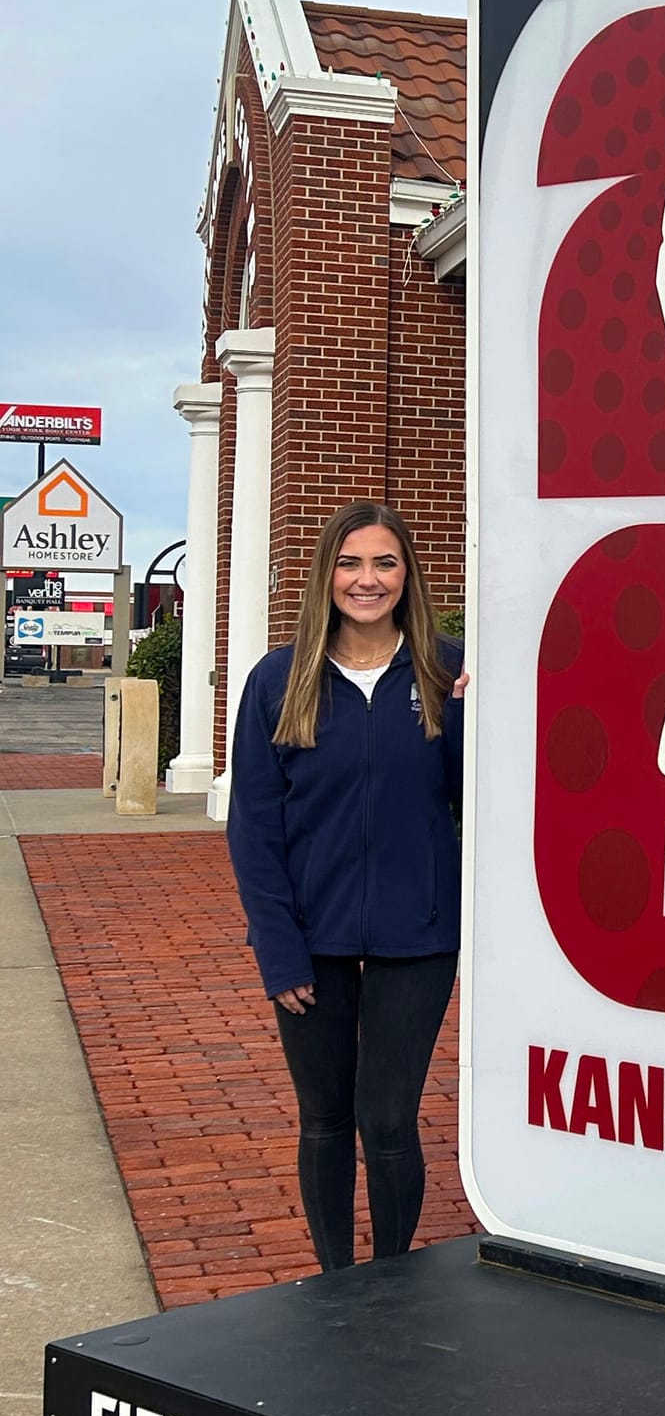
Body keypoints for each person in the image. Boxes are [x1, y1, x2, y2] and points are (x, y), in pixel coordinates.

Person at [226, 501, 465, 1272]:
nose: (368, 579)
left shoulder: (443, 669)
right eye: (352, 563)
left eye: (385, 562)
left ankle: (390, 1281)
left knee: (388, 1117)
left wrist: (467, 714)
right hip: (310, 937)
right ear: (327, 574)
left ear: (408, 575)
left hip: (418, 935)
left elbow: (480, 798)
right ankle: (336, 1282)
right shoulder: (279, 678)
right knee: (325, 1118)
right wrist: (279, 951)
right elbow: (254, 829)